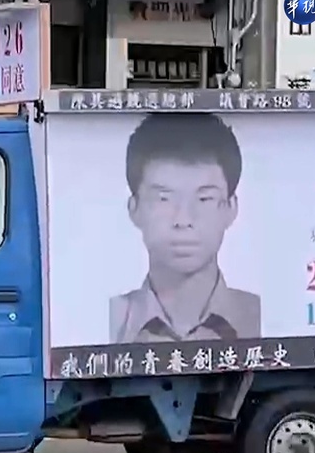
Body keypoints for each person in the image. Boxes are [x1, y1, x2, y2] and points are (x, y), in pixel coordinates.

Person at [110, 113, 261, 344]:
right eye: (164, 199)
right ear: (134, 208)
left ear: (231, 208)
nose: (183, 219)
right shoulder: (111, 320)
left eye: (204, 199)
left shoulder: (258, 317)